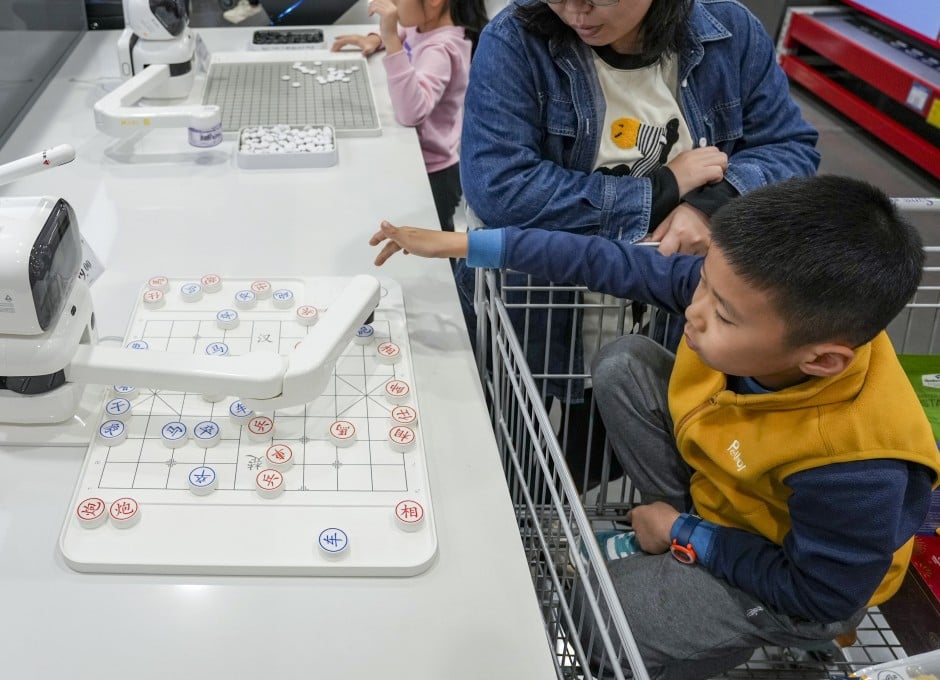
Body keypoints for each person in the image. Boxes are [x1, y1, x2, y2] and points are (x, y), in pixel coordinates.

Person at [369, 174, 940, 679]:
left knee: (600, 611)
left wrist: (685, 536)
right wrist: (469, 244)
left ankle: (700, 641)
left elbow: (822, 594)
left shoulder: (856, 465)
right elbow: (604, 261)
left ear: (819, 360)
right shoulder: (741, 297)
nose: (695, 309)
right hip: (729, 487)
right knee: (625, 363)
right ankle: (677, 565)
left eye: (723, 315)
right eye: (704, 284)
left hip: (794, 582)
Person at [455, 0, 820, 489]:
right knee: (503, 450)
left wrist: (710, 204)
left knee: (622, 448)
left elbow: (790, 147)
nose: (574, 13)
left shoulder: (728, 33)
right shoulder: (517, 39)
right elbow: (501, 186)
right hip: (537, 304)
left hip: (670, 309)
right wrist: (662, 189)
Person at [332, 0, 487, 232]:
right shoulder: (423, 26)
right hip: (416, 158)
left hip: (433, 175)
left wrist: (391, 39)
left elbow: (411, 112)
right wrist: (376, 38)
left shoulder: (441, 49)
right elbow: (405, 31)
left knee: (431, 249)